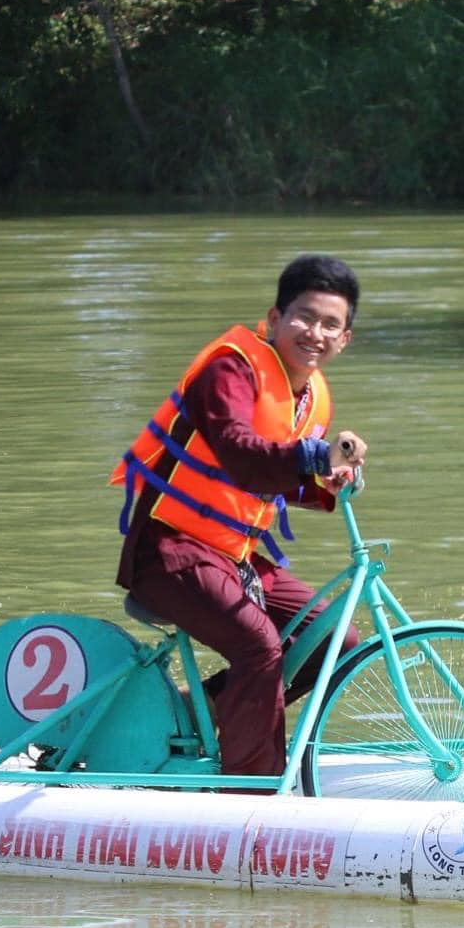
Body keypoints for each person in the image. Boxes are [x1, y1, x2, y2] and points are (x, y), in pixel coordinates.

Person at [111, 254, 368, 778]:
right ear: (274, 319)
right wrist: (315, 458)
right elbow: (240, 453)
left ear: (345, 339)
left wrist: (327, 481)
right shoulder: (230, 368)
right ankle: (251, 795)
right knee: (260, 648)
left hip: (236, 556)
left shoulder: (309, 395)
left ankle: (192, 710)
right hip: (169, 551)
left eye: (330, 325)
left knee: (335, 640)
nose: (315, 332)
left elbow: (273, 475)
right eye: (304, 317)